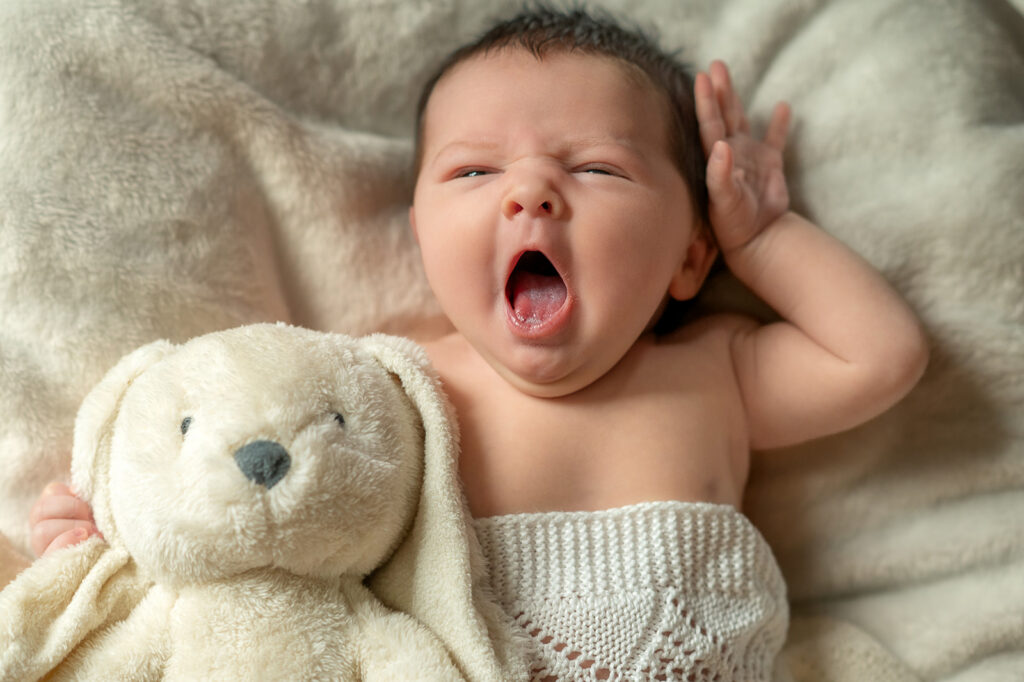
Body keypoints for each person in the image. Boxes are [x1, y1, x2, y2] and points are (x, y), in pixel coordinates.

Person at [30, 7, 929, 680]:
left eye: (596, 168)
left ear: (691, 254)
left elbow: (881, 356)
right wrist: (115, 542)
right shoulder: (400, 389)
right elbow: (275, 512)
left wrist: (764, 240)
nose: (531, 191)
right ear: (422, 235)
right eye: (474, 170)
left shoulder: (718, 371)